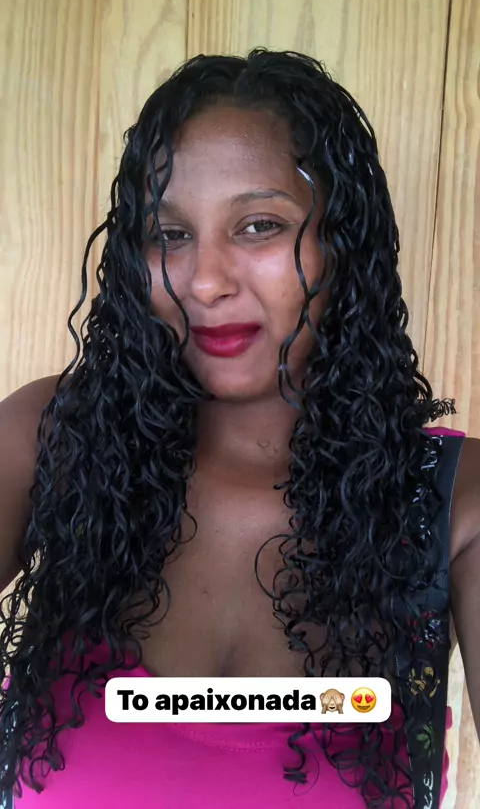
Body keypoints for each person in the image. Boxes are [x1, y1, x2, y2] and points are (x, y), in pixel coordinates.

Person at [0, 49, 478, 809]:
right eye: (168, 234)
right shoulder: (53, 435)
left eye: (259, 226)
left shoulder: (454, 502)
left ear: (342, 242)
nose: (204, 281)